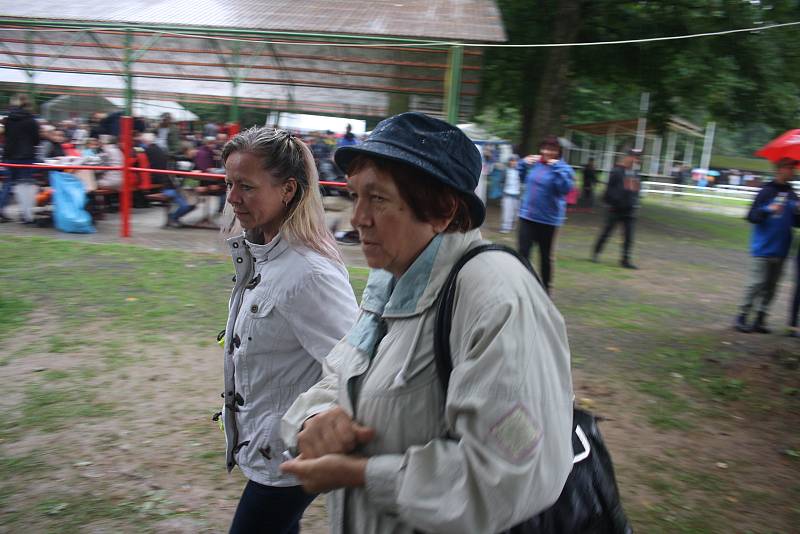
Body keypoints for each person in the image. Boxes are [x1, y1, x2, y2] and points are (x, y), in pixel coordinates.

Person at [279, 112, 574, 534]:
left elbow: (513, 472)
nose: (358, 217)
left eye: (377, 198)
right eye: (354, 195)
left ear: (442, 210)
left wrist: (360, 474)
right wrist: (314, 420)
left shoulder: (496, 299)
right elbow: (341, 375)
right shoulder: (390, 281)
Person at [219, 126, 359, 534]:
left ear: (288, 190)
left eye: (245, 186)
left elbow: (355, 365)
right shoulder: (263, 254)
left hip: (287, 455)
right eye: (228, 183)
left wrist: (314, 430)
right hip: (266, 447)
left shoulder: (310, 273)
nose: (231, 198)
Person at [734, 158, 799, 334]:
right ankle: (741, 316)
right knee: (756, 283)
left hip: (782, 248)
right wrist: (767, 210)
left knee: (772, 287)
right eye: (789, 168)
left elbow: (796, 223)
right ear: (779, 169)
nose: (793, 171)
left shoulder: (792, 194)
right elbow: (751, 216)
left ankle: (760, 320)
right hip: (763, 248)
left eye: (793, 168)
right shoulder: (766, 191)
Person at [517, 136, 575, 293]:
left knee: (545, 257)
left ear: (558, 151)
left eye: (551, 149)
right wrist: (523, 164)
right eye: (544, 148)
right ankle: (524, 286)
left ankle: (546, 289)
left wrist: (557, 168)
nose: (546, 152)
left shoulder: (564, 168)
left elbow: (564, 189)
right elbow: (522, 178)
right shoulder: (535, 165)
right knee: (523, 253)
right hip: (527, 216)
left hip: (548, 220)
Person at [591, 148, 643, 269]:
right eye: (635, 157)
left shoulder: (636, 173)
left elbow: (636, 190)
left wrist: (636, 202)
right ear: (628, 157)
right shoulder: (617, 171)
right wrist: (612, 202)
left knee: (629, 236)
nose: (636, 160)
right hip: (616, 209)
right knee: (607, 232)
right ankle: (596, 253)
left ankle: (625, 260)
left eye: (638, 158)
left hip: (630, 210)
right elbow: (609, 189)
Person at [0, 94, 40, 223]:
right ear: (28, 105)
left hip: (9, 156)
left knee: (8, 184)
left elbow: (6, 138)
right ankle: (25, 215)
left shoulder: (8, 120)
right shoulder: (31, 120)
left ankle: (0, 210)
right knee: (25, 185)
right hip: (26, 156)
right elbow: (36, 140)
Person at [142, 133, 195, 228]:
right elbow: (173, 177)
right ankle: (173, 218)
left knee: (193, 203)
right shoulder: (175, 160)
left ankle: (174, 217)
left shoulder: (188, 160)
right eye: (192, 149)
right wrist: (181, 188)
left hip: (178, 188)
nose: (195, 151)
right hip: (170, 188)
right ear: (186, 150)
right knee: (187, 204)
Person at [500, 154, 521, 233]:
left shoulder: (520, 171)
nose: (513, 162)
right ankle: (505, 227)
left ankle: (514, 225)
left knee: (516, 213)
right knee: (507, 211)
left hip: (517, 195)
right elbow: (501, 181)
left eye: (515, 161)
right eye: (512, 161)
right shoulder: (505, 170)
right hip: (507, 194)